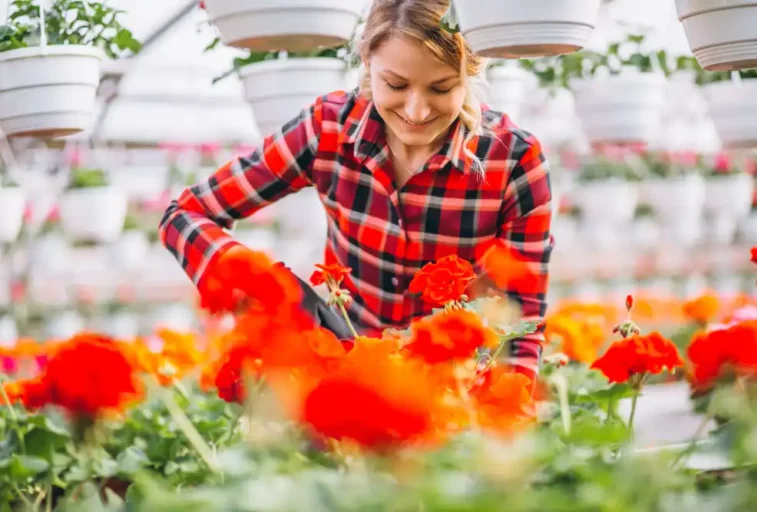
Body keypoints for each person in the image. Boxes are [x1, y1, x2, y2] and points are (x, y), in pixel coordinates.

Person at [159, 0, 554, 379]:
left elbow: (522, 313)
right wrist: (257, 283)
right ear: (368, 63)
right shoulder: (327, 128)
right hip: (347, 377)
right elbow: (185, 214)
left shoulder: (514, 161)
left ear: (471, 74)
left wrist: (506, 413)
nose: (416, 111)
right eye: (396, 84)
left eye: (441, 88)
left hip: (455, 386)